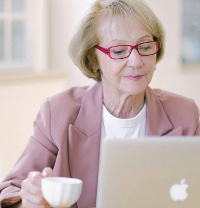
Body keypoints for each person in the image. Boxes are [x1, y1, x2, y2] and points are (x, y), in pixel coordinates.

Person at [1, 0, 200, 207]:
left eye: (145, 46)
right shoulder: (58, 112)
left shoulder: (185, 113)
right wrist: (28, 201)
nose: (136, 61)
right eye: (119, 51)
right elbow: (10, 191)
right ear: (93, 59)